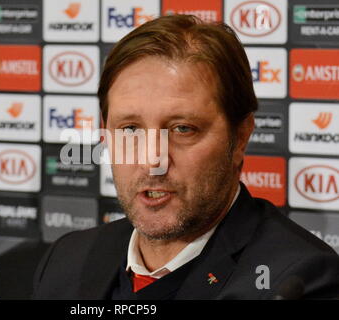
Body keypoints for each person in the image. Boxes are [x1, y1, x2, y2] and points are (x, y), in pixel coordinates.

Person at [32, 15, 339, 300]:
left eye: (182, 129)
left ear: (240, 136)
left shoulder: (300, 280)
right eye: (129, 129)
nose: (152, 160)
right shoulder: (65, 260)